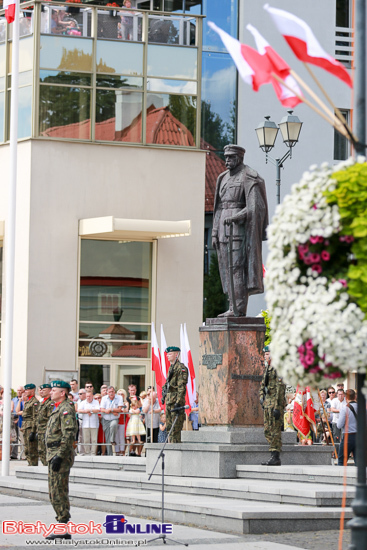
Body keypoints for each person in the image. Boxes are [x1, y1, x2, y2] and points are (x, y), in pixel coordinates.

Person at [212, 144, 268, 317]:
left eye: (230, 157)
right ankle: (232, 306)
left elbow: (255, 207)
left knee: (237, 268)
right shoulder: (222, 178)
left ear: (240, 158)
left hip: (239, 231)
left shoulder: (250, 177)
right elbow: (218, 208)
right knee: (226, 269)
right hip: (223, 228)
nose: (226, 160)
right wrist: (214, 232)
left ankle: (239, 308)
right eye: (226, 156)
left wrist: (237, 217)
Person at [45, 380, 78, 541]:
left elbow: (69, 434)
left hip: (60, 455)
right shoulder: (58, 408)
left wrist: (60, 455)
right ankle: (61, 524)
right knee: (54, 492)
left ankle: (62, 526)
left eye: (54, 390)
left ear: (62, 393)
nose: (51, 392)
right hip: (53, 454)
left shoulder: (66, 410)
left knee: (58, 491)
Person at [259, 346, 286, 466]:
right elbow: (262, 385)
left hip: (275, 403)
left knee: (275, 430)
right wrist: (261, 396)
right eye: (265, 354)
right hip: (267, 403)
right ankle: (273, 452)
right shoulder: (267, 368)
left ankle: (275, 456)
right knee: (267, 430)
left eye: (268, 353)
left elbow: (280, 388)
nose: (266, 356)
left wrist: (276, 407)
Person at [161, 346, 188, 443]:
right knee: (169, 428)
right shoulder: (171, 368)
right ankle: (170, 449)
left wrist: (178, 402)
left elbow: (181, 387)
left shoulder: (181, 368)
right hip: (169, 401)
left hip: (175, 402)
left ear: (176, 355)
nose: (167, 356)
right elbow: (168, 383)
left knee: (175, 429)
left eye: (170, 354)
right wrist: (163, 393)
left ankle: (175, 449)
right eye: (167, 354)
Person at [337, 389, 357, 466]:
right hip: (359, 437)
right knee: (359, 462)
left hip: (348, 436)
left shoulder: (345, 409)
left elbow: (339, 425)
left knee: (342, 461)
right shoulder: (363, 409)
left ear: (346, 398)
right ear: (355, 397)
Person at [20, 383, 40, 466]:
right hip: (26, 426)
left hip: (30, 426)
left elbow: (35, 417)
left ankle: (33, 464)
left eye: (27, 390)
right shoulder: (28, 401)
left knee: (32, 448)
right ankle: (30, 464)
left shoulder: (34, 402)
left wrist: (33, 431)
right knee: (27, 448)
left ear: (32, 390)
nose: (25, 392)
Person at [100, 386, 123, 455]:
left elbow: (119, 409)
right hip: (105, 419)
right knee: (107, 436)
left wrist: (110, 409)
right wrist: (112, 411)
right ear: (107, 392)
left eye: (112, 391)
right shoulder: (104, 398)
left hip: (114, 418)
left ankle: (112, 439)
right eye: (109, 392)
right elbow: (102, 409)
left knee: (114, 425)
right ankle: (110, 454)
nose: (111, 393)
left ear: (114, 392)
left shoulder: (119, 397)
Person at [77, 390, 100, 455]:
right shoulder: (83, 402)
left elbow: (98, 409)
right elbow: (79, 410)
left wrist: (90, 410)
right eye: (87, 396)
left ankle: (93, 453)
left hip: (94, 424)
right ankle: (87, 453)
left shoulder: (96, 402)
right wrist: (86, 411)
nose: (88, 398)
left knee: (94, 440)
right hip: (85, 424)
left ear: (92, 396)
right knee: (86, 440)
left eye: (89, 396)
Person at [37, 384, 54, 466]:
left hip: (46, 429)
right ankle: (45, 466)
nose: (41, 391)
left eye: (44, 390)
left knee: (46, 450)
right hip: (40, 429)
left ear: (49, 391)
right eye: (41, 390)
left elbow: (50, 418)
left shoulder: (50, 403)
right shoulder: (42, 402)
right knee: (41, 450)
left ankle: (47, 467)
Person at [11, 386, 24, 459]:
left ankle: (23, 455)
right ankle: (14, 454)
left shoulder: (24, 399)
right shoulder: (13, 399)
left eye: (20, 390)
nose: (19, 392)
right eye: (18, 390)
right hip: (13, 418)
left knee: (22, 437)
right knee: (14, 437)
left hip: (21, 418)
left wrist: (18, 419)